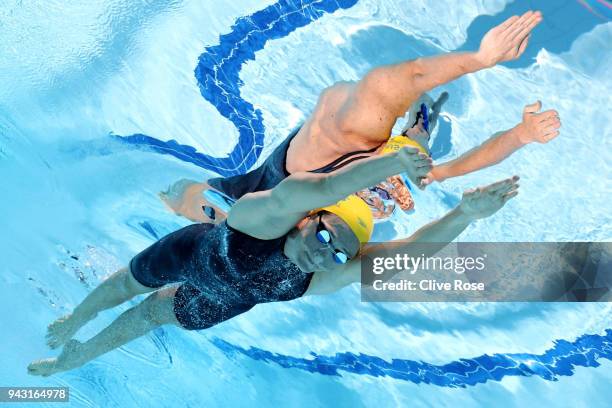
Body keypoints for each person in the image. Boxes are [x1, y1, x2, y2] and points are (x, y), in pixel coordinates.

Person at [29, 145, 519, 376]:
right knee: (123, 290)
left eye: (339, 253)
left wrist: (465, 215)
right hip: (188, 255)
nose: (325, 254)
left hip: (221, 301)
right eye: (327, 236)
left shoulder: (320, 276)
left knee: (150, 316)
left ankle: (76, 357)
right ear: (308, 219)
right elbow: (326, 187)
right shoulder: (266, 218)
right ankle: (76, 317)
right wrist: (394, 164)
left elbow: (408, 255)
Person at [161, 11, 556, 223]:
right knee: (190, 200)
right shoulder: (349, 135)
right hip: (301, 175)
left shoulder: (398, 168)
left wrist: (522, 133)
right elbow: (388, 86)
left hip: (311, 201)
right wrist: (478, 61)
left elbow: (456, 167)